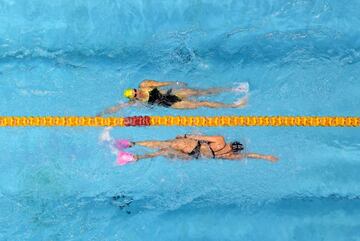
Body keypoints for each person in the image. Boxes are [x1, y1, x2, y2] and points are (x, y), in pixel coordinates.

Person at [100, 128, 278, 165]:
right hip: (193, 156)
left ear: (232, 143)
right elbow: (250, 156)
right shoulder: (229, 156)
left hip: (190, 144)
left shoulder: (220, 139)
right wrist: (266, 157)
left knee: (163, 144)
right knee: (162, 153)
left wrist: (185, 135)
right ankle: (136, 158)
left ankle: (131, 144)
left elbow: (199, 136)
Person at [98, 80, 248, 115]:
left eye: (135, 91)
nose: (137, 94)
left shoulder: (145, 84)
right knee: (203, 103)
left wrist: (175, 83)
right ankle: (234, 106)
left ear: (135, 88)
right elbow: (119, 107)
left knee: (202, 92)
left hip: (172, 93)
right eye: (135, 95)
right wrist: (103, 113)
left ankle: (234, 88)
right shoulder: (136, 101)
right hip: (170, 104)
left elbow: (161, 83)